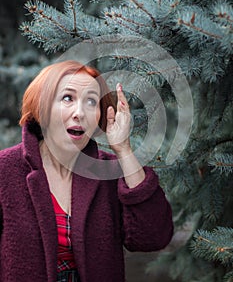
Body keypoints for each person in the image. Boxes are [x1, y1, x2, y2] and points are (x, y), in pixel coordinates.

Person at [0, 60, 173, 282]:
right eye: (67, 98)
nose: (80, 112)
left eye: (91, 101)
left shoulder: (109, 172)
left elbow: (153, 237)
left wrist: (123, 149)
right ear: (41, 108)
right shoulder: (5, 169)